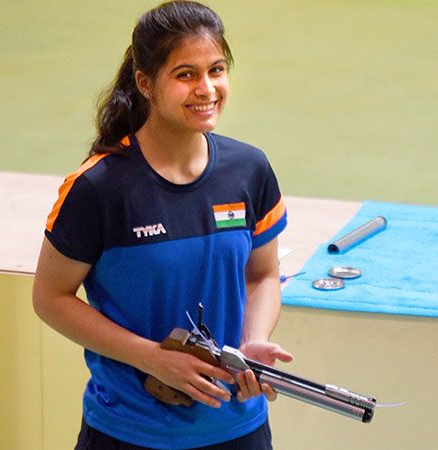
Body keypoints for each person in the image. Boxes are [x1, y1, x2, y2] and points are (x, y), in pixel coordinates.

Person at [32, 1, 292, 448]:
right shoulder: (97, 188)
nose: (206, 88)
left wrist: (251, 342)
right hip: (127, 433)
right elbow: (51, 298)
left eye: (216, 69)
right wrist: (152, 358)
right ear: (145, 84)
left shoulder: (249, 169)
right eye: (185, 74)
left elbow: (262, 275)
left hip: (239, 430)